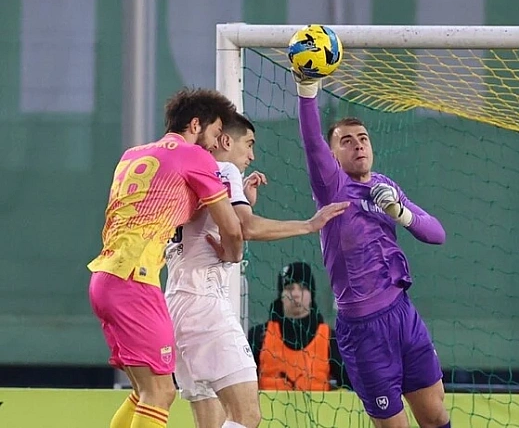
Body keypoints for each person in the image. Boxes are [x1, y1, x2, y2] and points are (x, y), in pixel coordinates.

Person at [164, 112, 349, 428]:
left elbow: (220, 229)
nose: (251, 155)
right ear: (225, 140)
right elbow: (245, 228)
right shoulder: (223, 170)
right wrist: (309, 224)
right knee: (247, 415)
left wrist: (242, 206)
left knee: (212, 422)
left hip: (176, 305)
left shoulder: (183, 174)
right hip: (205, 305)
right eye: (249, 144)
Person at [292, 72, 451, 428]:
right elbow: (312, 143)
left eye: (363, 139)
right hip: (364, 330)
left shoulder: (385, 187)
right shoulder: (332, 187)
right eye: (346, 141)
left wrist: (400, 212)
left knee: (434, 414)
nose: (358, 146)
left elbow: (437, 234)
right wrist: (306, 90)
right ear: (333, 156)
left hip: (403, 314)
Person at [87, 88, 244, 428]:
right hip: (134, 281)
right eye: (216, 132)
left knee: (143, 392)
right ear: (196, 125)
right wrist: (233, 254)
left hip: (104, 278)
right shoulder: (194, 156)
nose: (215, 144)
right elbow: (232, 228)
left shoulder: (132, 155)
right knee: (160, 394)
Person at [248, 261, 350, 392]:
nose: (296, 294)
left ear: (311, 294)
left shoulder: (330, 339)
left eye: (302, 287)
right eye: (289, 288)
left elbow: (352, 385)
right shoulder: (258, 336)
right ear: (281, 295)